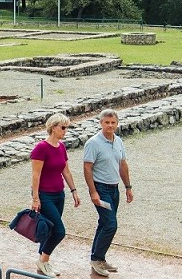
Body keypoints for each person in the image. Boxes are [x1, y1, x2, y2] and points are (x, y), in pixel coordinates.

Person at [29, 113, 81, 278]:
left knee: (51, 230)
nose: (65, 131)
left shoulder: (61, 147)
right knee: (59, 231)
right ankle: (43, 261)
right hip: (45, 195)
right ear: (53, 127)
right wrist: (36, 198)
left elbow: (66, 170)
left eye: (67, 127)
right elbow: (35, 175)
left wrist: (74, 191)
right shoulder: (41, 148)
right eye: (63, 127)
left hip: (59, 194)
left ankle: (43, 263)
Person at [83, 109, 133, 277]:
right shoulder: (93, 143)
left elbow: (122, 164)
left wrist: (128, 186)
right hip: (101, 188)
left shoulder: (118, 141)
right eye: (107, 122)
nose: (110, 126)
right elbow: (87, 168)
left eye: (113, 123)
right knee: (111, 224)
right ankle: (97, 259)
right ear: (101, 123)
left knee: (105, 223)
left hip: (114, 188)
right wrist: (93, 192)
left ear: (117, 123)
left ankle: (98, 258)